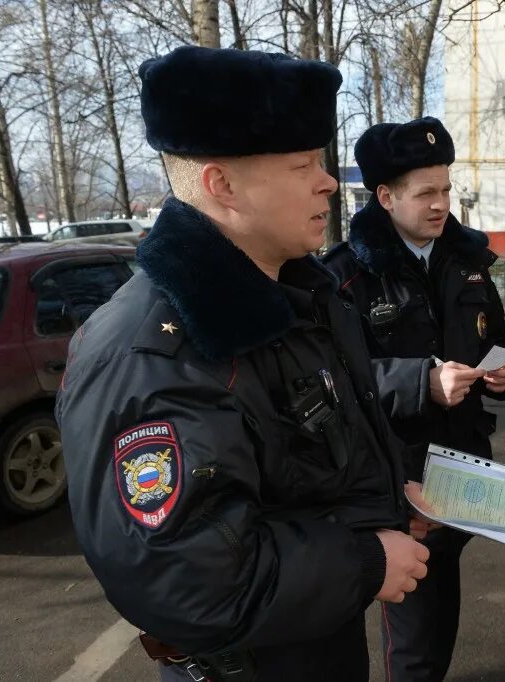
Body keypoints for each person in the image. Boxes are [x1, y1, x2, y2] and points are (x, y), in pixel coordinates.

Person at [56, 45, 430, 681]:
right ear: (221, 184)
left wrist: (385, 505)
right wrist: (366, 561)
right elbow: (184, 578)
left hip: (312, 641)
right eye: (302, 164)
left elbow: (298, 464)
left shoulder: (292, 298)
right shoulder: (154, 351)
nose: (329, 181)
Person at [322, 116, 505, 681]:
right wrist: (420, 383)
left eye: (446, 189)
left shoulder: (468, 262)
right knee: (411, 633)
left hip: (466, 467)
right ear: (384, 196)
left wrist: (503, 375)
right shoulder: (346, 276)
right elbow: (333, 379)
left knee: (441, 610)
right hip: (402, 478)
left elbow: (495, 339)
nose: (441, 205)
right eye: (425, 193)